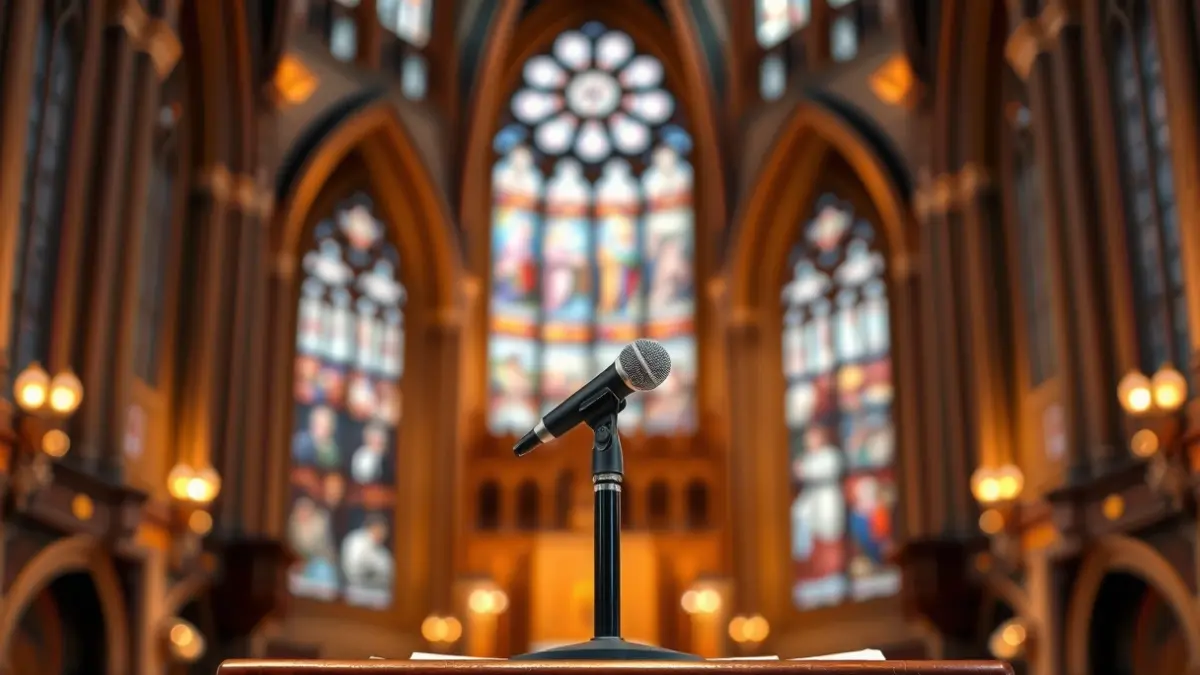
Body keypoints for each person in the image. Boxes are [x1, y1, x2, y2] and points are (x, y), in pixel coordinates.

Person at [342, 514, 395, 589]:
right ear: (371, 527)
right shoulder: (356, 540)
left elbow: (391, 572)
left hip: (379, 592)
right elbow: (353, 570)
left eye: (384, 532)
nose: (382, 535)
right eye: (379, 530)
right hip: (357, 591)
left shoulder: (383, 552)